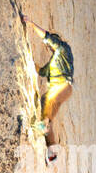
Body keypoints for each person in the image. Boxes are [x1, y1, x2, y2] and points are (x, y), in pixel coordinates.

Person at [21, 14, 74, 157]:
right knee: (47, 117)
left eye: (51, 45)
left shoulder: (64, 49)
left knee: (47, 101)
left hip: (63, 86)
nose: (49, 47)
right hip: (59, 90)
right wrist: (29, 61)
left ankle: (42, 127)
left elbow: (47, 36)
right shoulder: (54, 60)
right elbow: (42, 71)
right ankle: (53, 153)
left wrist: (31, 24)